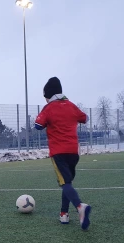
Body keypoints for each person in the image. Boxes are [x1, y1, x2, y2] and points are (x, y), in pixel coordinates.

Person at [34, 77, 91, 230]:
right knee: (67, 182)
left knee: (65, 183)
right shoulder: (71, 105)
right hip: (73, 151)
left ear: (48, 94)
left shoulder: (48, 108)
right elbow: (85, 118)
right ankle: (64, 213)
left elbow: (38, 125)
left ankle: (80, 207)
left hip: (58, 152)